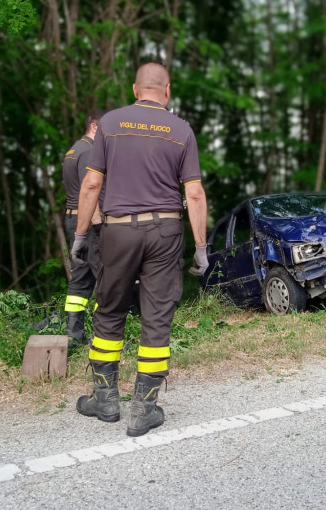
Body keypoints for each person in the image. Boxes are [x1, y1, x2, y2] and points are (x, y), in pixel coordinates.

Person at [71, 63, 209, 437]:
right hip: (165, 230)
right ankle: (143, 409)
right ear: (167, 91)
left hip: (117, 231)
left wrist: (81, 236)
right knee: (157, 315)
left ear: (135, 89)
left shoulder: (111, 124)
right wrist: (201, 247)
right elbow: (193, 193)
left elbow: (90, 185)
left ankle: (105, 399)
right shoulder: (181, 130)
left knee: (110, 310)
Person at [61, 109, 105, 347]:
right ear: (95, 126)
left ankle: (74, 333)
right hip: (87, 221)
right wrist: (98, 227)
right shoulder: (89, 151)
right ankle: (105, 337)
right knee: (106, 277)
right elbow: (90, 190)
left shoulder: (73, 150)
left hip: (73, 218)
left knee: (81, 276)